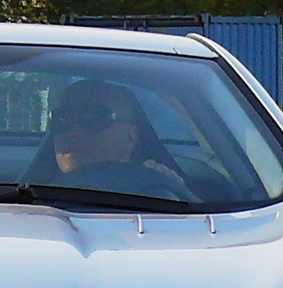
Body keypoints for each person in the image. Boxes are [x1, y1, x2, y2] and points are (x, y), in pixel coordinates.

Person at [23, 79, 192, 200]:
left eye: (94, 119)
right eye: (63, 120)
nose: (74, 132)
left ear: (130, 137)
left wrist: (173, 191)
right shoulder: (20, 207)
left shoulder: (162, 194)